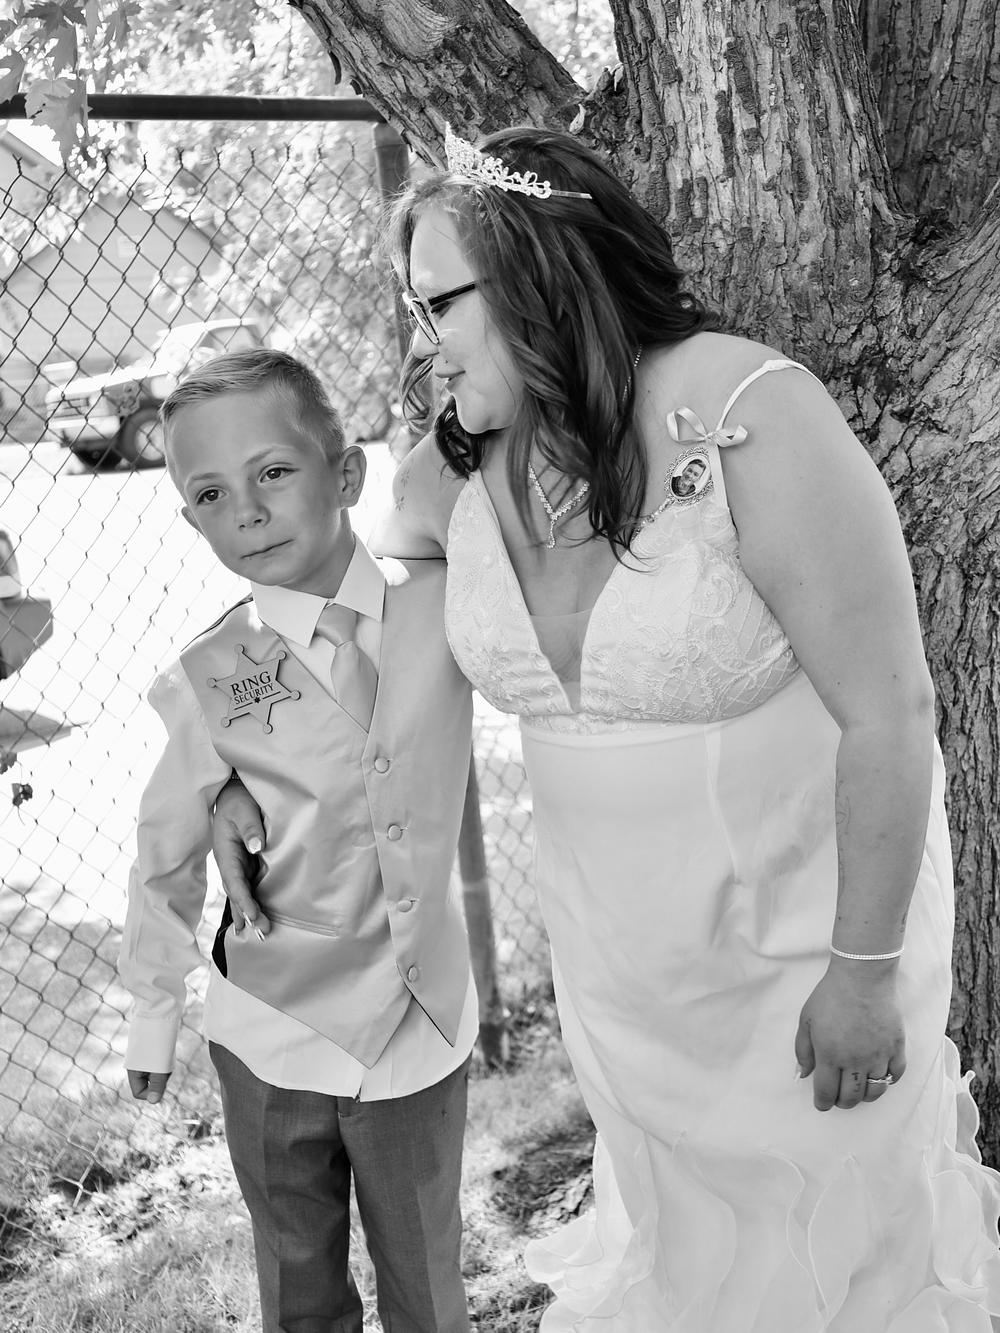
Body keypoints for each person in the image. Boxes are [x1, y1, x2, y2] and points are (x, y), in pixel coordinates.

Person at [211, 129, 1000, 1329]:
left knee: (848, 1273)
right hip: (626, 984)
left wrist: (861, 973)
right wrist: (244, 769)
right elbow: (350, 636)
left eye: (439, 306)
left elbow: (888, 710)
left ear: (537, 273)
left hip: (805, 957)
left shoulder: (746, 410)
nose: (421, 344)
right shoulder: (444, 478)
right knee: (692, 1275)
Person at [119, 348, 476, 1333]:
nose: (248, 511)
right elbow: (163, 849)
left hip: (415, 1029)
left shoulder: (445, 603)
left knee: (428, 1286)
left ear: (346, 473)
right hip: (268, 1036)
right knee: (298, 1289)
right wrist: (153, 1009)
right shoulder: (206, 674)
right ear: (191, 518)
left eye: (273, 471)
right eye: (210, 494)